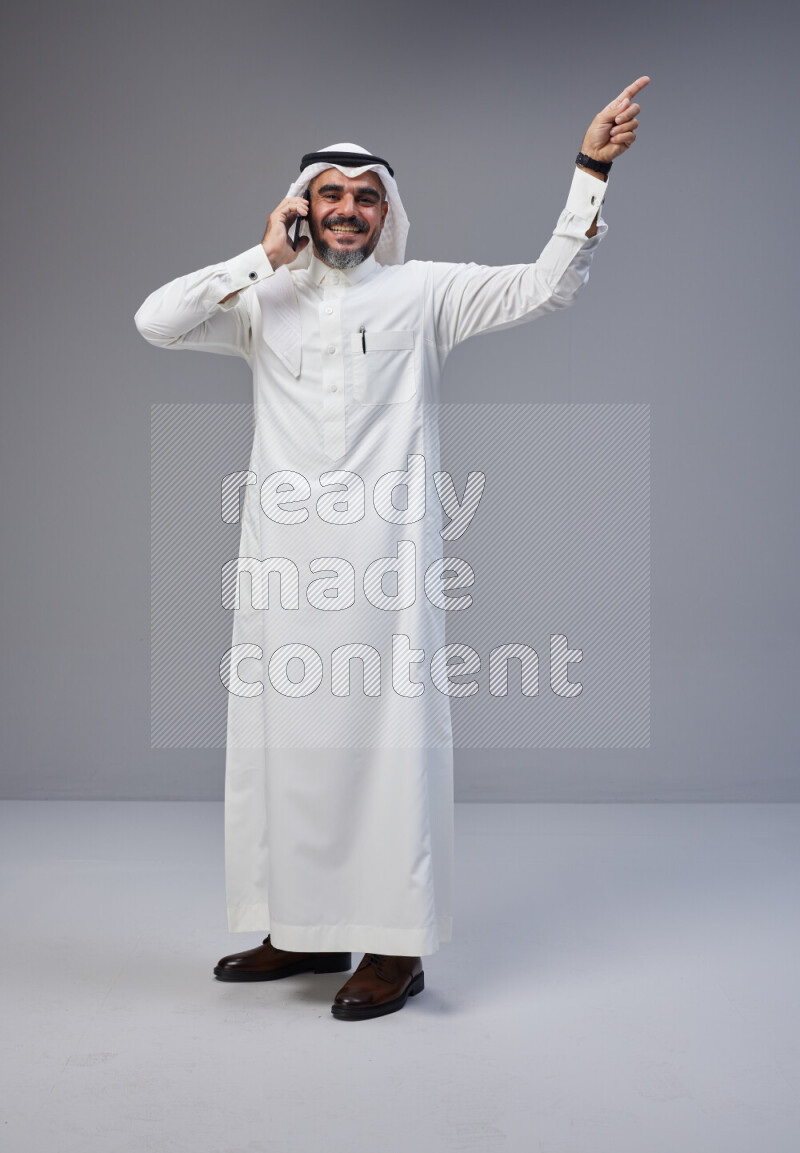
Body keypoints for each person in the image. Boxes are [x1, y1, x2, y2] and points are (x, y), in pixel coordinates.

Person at [134, 76, 649, 1022]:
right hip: (285, 568)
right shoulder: (262, 301)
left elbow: (545, 285)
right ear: (302, 206)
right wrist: (258, 257)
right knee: (286, 743)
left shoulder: (423, 293)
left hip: (387, 571)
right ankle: (303, 927)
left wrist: (591, 170)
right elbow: (155, 321)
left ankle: (397, 949)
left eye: (364, 196)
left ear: (385, 212)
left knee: (388, 749)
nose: (347, 210)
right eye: (329, 195)